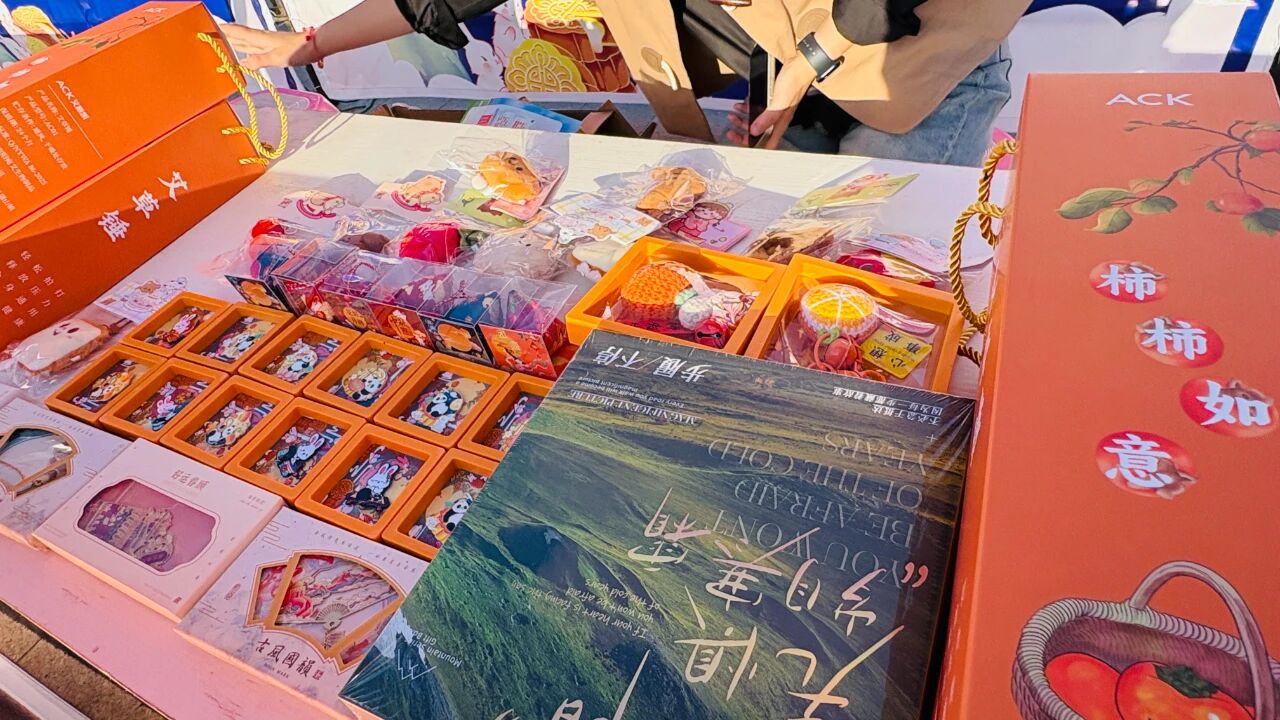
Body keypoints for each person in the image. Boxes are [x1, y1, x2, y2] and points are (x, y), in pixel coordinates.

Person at [222, 0, 1028, 166]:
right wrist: (306, 43)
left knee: (886, 266)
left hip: (921, 59)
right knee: (804, 253)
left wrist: (804, 68)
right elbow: (433, 1)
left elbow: (875, 7)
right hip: (788, 80)